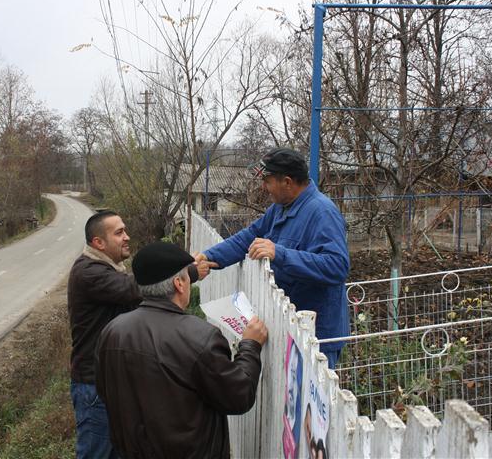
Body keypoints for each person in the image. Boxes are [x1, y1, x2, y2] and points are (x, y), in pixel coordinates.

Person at [95, 241, 268, 458]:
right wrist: (250, 346)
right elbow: (239, 396)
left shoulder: (113, 331)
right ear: (179, 284)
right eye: (187, 276)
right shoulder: (200, 337)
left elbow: (105, 391)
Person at [195, 147, 350, 368]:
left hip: (317, 335)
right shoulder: (281, 208)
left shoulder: (322, 212)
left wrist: (280, 253)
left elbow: (338, 266)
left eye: (267, 181)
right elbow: (247, 238)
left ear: (287, 182)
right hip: (290, 326)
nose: (264, 187)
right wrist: (209, 257)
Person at [67, 210, 144, 458]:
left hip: (112, 383)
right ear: (98, 242)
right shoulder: (88, 272)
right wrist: (186, 274)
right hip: (94, 387)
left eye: (125, 230)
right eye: (119, 232)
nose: (127, 237)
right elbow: (132, 290)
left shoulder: (110, 268)